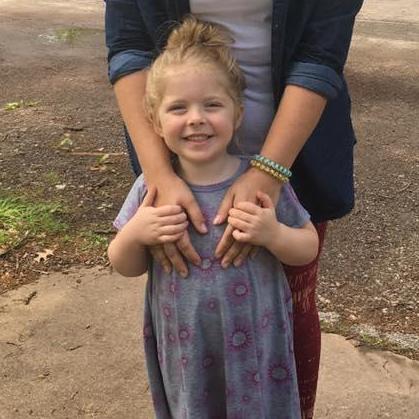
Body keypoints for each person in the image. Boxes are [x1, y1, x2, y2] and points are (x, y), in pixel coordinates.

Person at [105, 1, 364, 417]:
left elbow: (305, 247)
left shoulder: (278, 195)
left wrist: (272, 222)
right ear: (155, 120)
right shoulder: (149, 194)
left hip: (261, 352)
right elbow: (124, 262)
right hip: (187, 354)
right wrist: (145, 212)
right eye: (178, 109)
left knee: (297, 313)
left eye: (210, 106)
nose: (196, 120)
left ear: (237, 113)